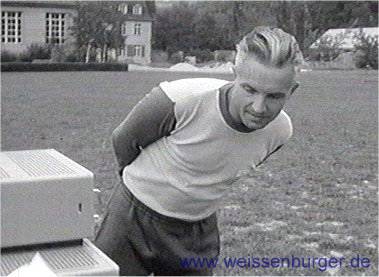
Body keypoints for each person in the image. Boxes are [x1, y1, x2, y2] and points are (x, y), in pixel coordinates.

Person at [95, 26, 301, 276]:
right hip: (132, 219)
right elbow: (124, 140)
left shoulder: (280, 131)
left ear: (292, 91)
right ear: (234, 74)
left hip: (196, 232)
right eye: (250, 90)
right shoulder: (181, 98)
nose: (259, 107)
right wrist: (138, 190)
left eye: (274, 96)